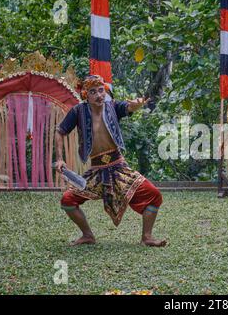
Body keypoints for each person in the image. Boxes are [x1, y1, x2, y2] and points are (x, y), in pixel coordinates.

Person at [55, 75, 166, 247]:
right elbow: (60, 131)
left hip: (119, 167)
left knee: (154, 195)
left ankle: (147, 237)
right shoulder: (78, 111)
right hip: (97, 171)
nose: (99, 95)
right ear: (86, 95)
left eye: (101, 90)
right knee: (67, 201)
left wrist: (136, 104)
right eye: (93, 92)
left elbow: (129, 106)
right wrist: (60, 159)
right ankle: (88, 235)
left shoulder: (113, 106)